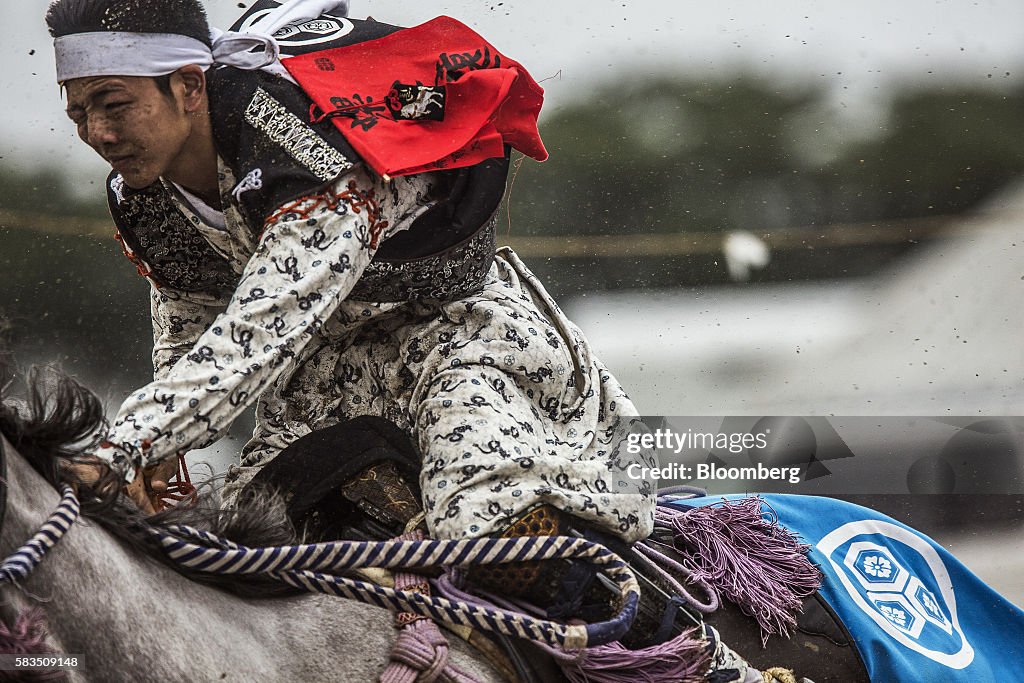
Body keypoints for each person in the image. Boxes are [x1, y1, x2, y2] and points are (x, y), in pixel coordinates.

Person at [45, 0, 655, 549]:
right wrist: (162, 453)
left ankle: (698, 658)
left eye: (115, 104)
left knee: (484, 529)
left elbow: (262, 329)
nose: (97, 134)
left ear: (187, 87)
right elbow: (188, 316)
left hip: (458, 352)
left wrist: (125, 445)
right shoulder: (140, 196)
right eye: (78, 114)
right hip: (314, 396)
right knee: (234, 556)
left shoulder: (302, 145)